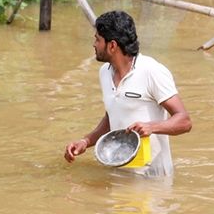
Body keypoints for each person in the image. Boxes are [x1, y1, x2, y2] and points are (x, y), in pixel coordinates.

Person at [64, 10, 192, 177]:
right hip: (119, 174)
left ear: (112, 45)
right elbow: (112, 116)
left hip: (153, 177)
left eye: (97, 39)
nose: (94, 44)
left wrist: (151, 127)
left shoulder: (151, 71)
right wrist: (85, 141)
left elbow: (184, 121)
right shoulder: (104, 72)